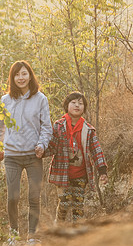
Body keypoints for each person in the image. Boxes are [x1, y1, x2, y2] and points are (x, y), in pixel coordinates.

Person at [0, 60, 52, 245]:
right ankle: (14, 234)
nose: (21, 78)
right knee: (13, 197)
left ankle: (32, 235)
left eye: (24, 73)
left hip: (34, 155)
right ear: (12, 77)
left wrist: (42, 144)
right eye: (17, 74)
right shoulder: (5, 100)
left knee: (34, 196)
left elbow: (46, 127)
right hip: (12, 156)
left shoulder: (40, 98)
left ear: (30, 75)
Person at [43, 92, 108, 223]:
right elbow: (53, 146)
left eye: (80, 103)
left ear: (84, 108)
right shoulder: (59, 126)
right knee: (65, 202)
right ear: (67, 106)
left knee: (78, 206)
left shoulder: (88, 129)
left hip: (81, 175)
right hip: (62, 173)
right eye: (73, 103)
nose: (77, 105)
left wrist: (102, 170)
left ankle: (78, 234)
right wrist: (39, 152)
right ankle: (59, 227)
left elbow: (96, 150)